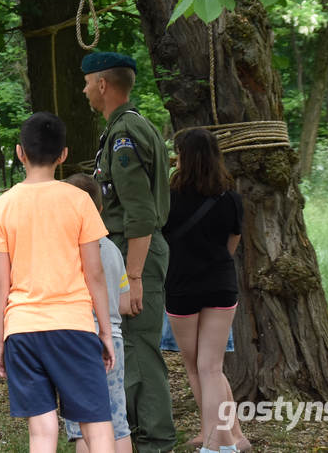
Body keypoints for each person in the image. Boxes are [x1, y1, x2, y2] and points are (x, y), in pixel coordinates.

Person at [0, 111, 116, 453]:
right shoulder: (80, 201)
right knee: (98, 428)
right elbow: (95, 274)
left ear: (19, 152)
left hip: (22, 330)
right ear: (64, 155)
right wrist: (104, 332)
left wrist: (1, 340)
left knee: (42, 433)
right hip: (73, 327)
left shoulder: (2, 206)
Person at [81, 51, 175, 452]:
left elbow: (139, 212)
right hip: (133, 252)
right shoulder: (127, 128)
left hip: (136, 253)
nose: (83, 91)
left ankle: (154, 441)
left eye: (87, 83)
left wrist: (133, 277)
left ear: (103, 84)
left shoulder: (124, 135)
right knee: (131, 348)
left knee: (137, 350)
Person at [163, 129, 245, 453]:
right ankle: (226, 442)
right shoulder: (231, 198)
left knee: (195, 365)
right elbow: (231, 245)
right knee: (212, 367)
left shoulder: (169, 197)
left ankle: (216, 444)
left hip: (183, 287)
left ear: (186, 157)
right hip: (221, 286)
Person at [63, 173, 132, 453]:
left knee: (83, 426)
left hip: (78, 339)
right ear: (100, 209)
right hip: (113, 340)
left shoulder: (66, 251)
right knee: (117, 422)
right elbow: (126, 304)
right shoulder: (113, 249)